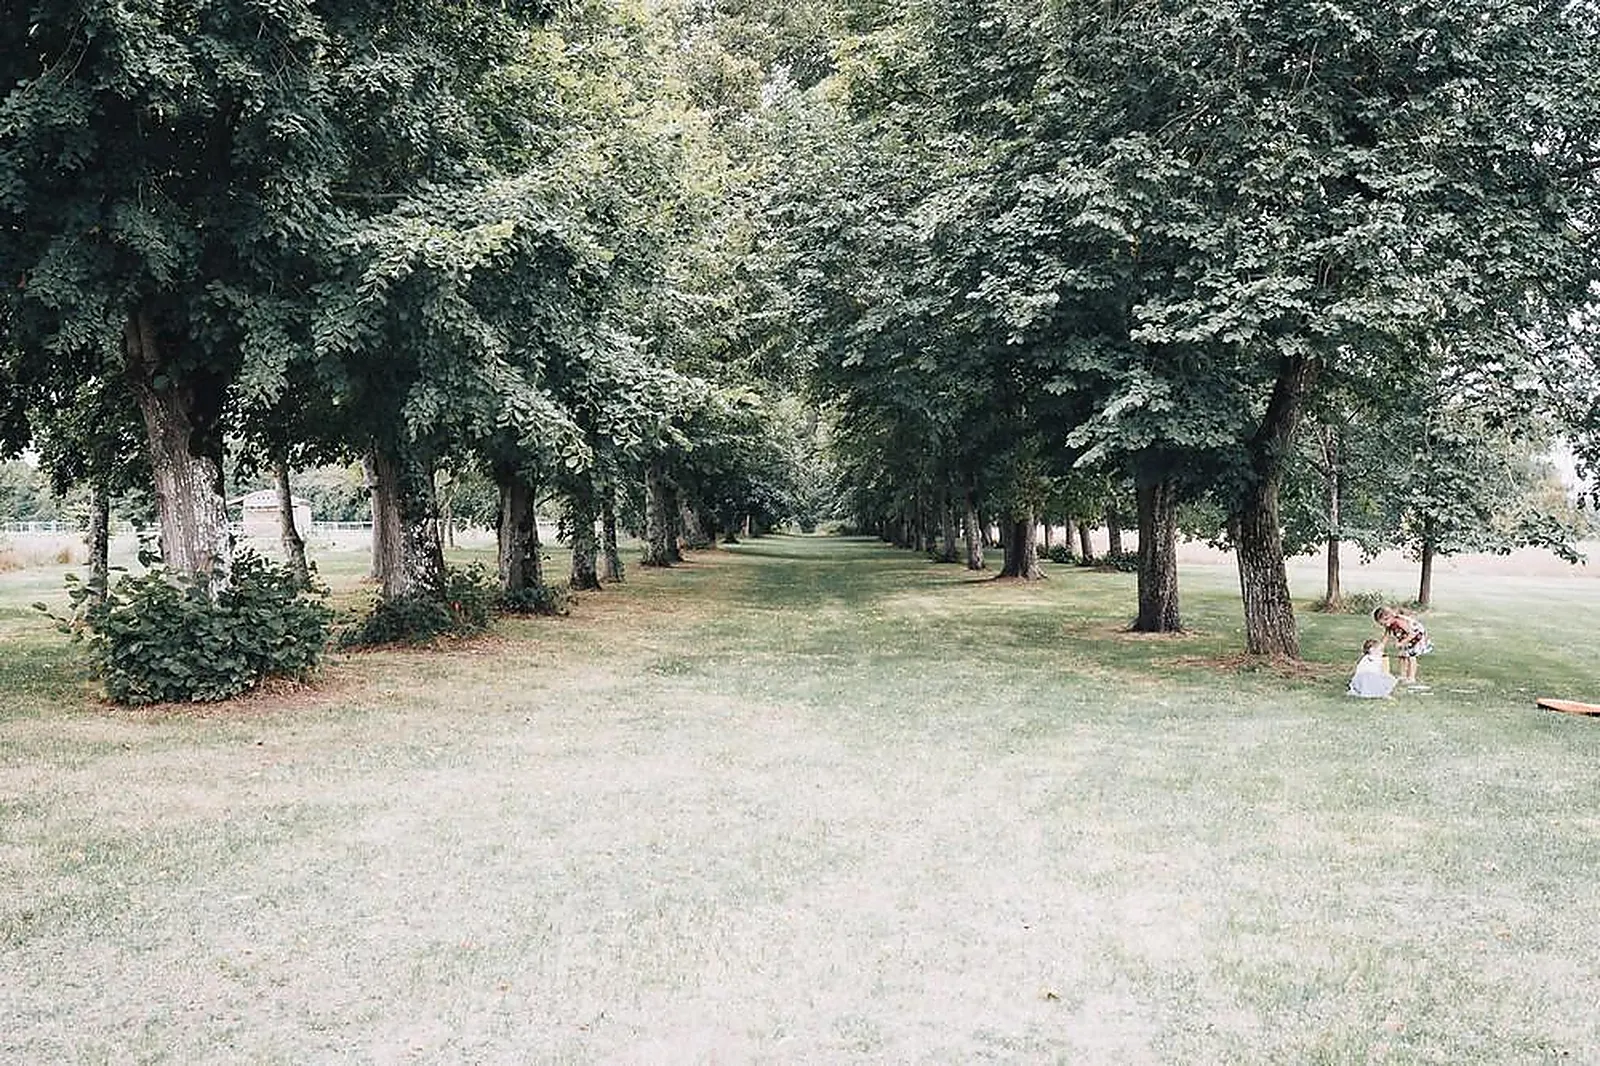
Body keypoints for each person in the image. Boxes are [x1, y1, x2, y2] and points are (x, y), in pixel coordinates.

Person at [1373, 606, 1432, 689]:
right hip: (1406, 638)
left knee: (1411, 657)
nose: (1383, 626)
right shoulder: (1389, 624)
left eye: (1383, 623)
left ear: (1388, 618)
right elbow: (1386, 637)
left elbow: (1412, 634)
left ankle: (1411, 677)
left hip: (1416, 637)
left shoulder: (1399, 622)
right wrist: (1380, 647)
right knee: (1402, 655)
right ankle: (1403, 675)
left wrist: (1401, 643)